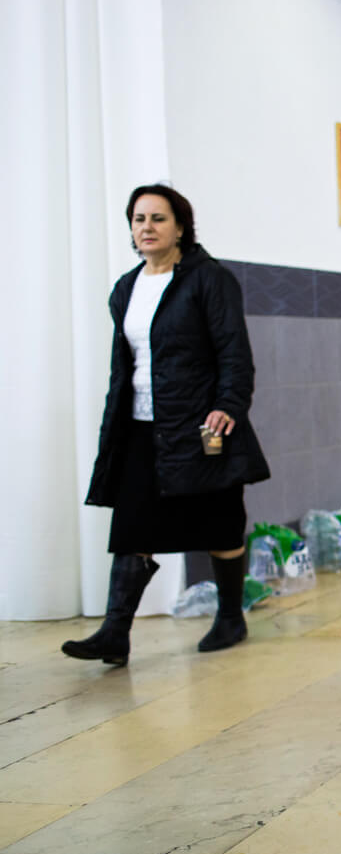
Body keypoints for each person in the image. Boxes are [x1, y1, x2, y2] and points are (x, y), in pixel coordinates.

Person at [64, 184, 270, 665]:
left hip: (201, 425)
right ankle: (115, 632)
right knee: (132, 525)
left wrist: (229, 406)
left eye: (158, 218)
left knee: (221, 524)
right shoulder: (126, 287)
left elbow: (234, 353)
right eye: (139, 219)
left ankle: (230, 618)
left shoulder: (208, 279)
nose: (147, 228)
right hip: (139, 425)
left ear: (180, 226)